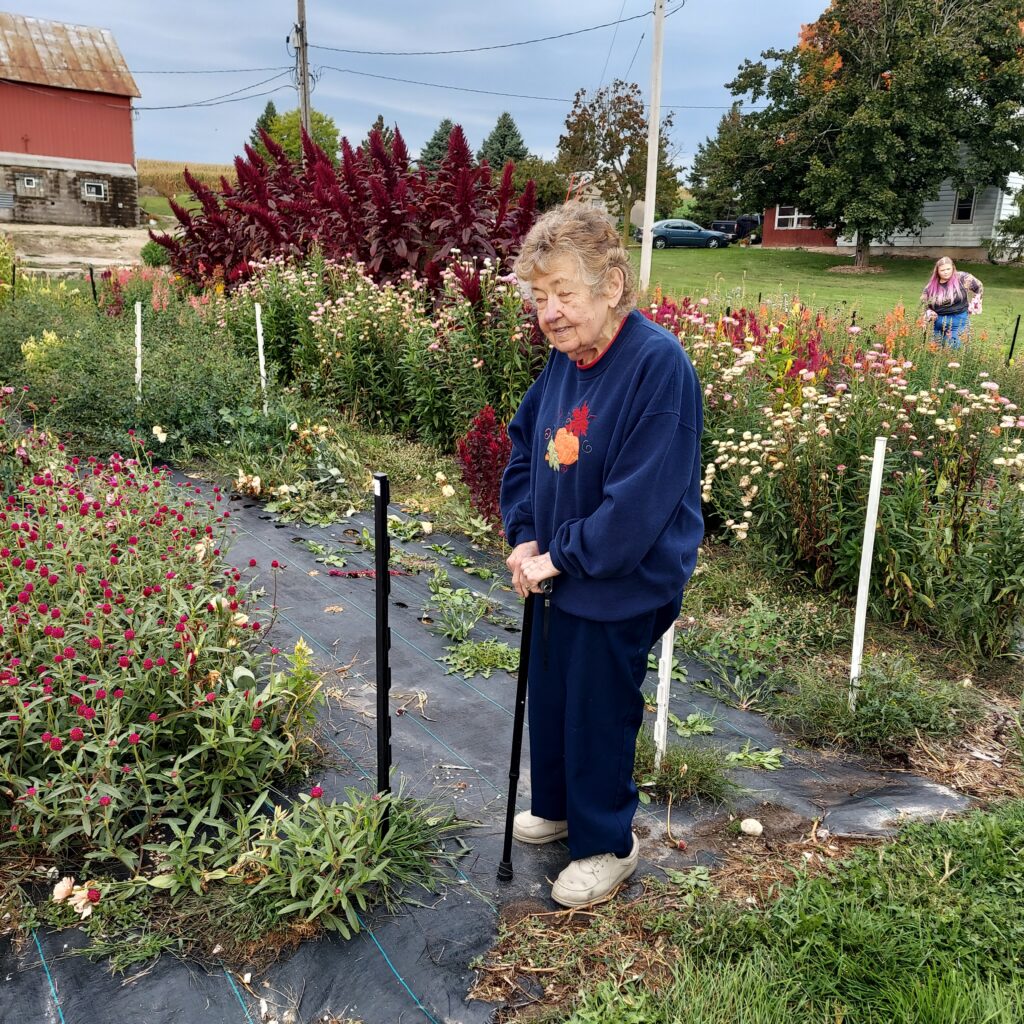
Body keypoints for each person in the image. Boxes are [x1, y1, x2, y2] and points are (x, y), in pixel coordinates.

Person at [500, 203, 704, 907]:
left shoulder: (657, 366)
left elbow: (640, 506)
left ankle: (606, 844)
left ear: (612, 285)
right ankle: (558, 809)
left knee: (597, 709)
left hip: (623, 580)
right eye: (539, 297)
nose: (549, 313)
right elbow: (525, 450)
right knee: (553, 695)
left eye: (563, 293)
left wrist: (558, 557)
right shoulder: (563, 364)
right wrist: (525, 536)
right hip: (559, 570)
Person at [921, 256, 983, 348]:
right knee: (933, 351)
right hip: (937, 322)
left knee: (954, 350)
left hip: (958, 321)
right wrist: (928, 312)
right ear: (937, 271)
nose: (946, 272)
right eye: (942, 270)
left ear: (953, 268)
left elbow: (979, 287)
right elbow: (924, 302)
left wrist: (974, 306)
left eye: (948, 269)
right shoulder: (932, 285)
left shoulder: (963, 278)